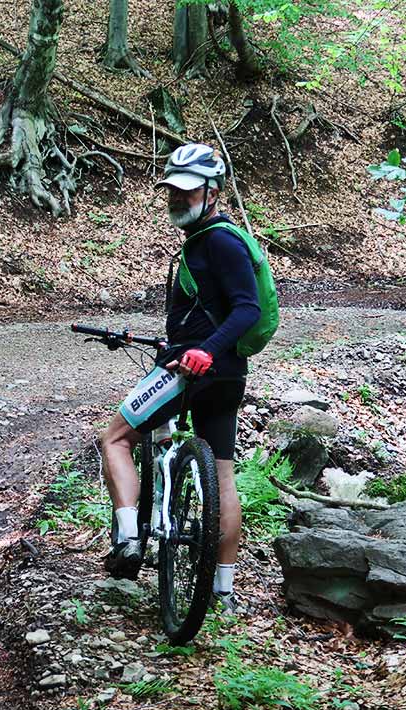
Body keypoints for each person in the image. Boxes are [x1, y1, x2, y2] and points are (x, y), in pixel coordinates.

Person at [99, 143, 259, 614]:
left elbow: (247, 308)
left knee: (114, 439)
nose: (177, 198)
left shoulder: (219, 240)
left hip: (195, 371)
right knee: (222, 477)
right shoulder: (208, 239)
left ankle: (129, 538)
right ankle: (223, 591)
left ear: (213, 192)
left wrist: (201, 351)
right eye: (171, 190)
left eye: (187, 191)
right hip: (226, 373)